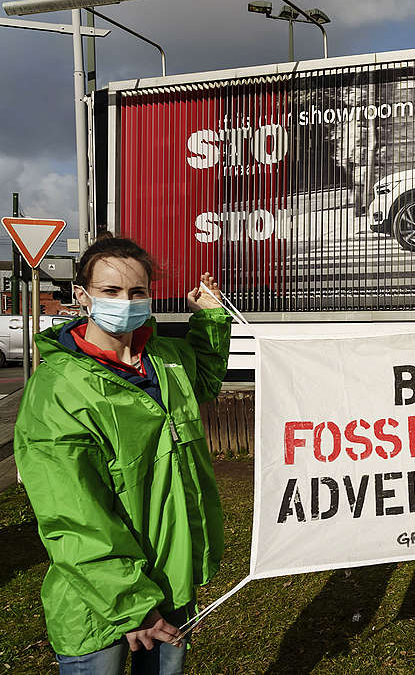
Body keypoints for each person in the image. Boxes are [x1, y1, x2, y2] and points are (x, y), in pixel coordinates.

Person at [14, 236, 232, 674]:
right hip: (99, 604)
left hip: (171, 580)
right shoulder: (59, 387)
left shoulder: (166, 359)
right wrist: (132, 605)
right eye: (110, 292)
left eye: (136, 292)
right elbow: (72, 513)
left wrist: (209, 316)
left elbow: (204, 380)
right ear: (82, 296)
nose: (125, 302)